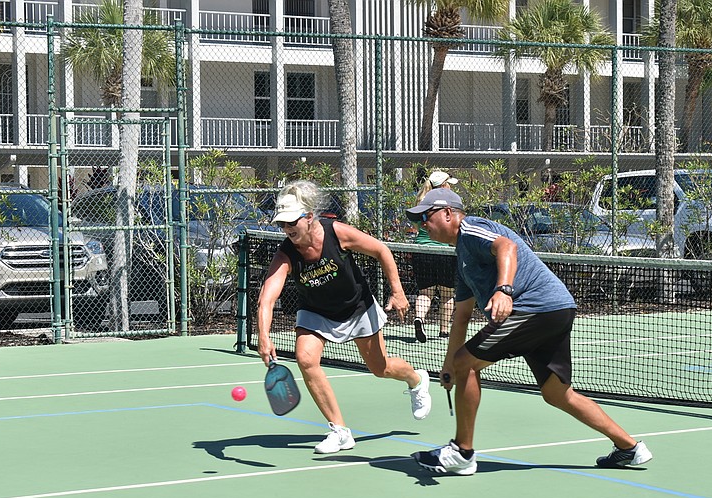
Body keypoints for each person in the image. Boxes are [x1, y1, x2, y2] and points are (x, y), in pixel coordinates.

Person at [404, 187, 652, 475]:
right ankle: (630, 448)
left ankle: (462, 453)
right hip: (555, 310)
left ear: (448, 213)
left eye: (427, 217)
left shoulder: (471, 230)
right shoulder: (462, 258)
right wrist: (449, 365)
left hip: (535, 308)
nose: (423, 225)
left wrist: (503, 290)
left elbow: (506, 247)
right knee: (557, 393)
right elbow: (461, 316)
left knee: (466, 363)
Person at [257, 180, 432, 454]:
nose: (287, 228)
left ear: (309, 217)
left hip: (356, 306)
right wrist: (264, 336)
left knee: (380, 368)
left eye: (292, 222)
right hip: (315, 311)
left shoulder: (337, 233)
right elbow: (267, 299)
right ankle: (340, 431)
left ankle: (416, 380)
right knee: (305, 359)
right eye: (282, 223)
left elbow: (381, 250)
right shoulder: (285, 254)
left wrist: (398, 292)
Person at [411, 171, 457, 342]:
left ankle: (419, 318)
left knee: (425, 293)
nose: (450, 187)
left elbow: (417, 227)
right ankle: (444, 332)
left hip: (422, 252)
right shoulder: (450, 204)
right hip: (444, 253)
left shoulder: (420, 203)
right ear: (443, 186)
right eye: (448, 183)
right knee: (447, 294)